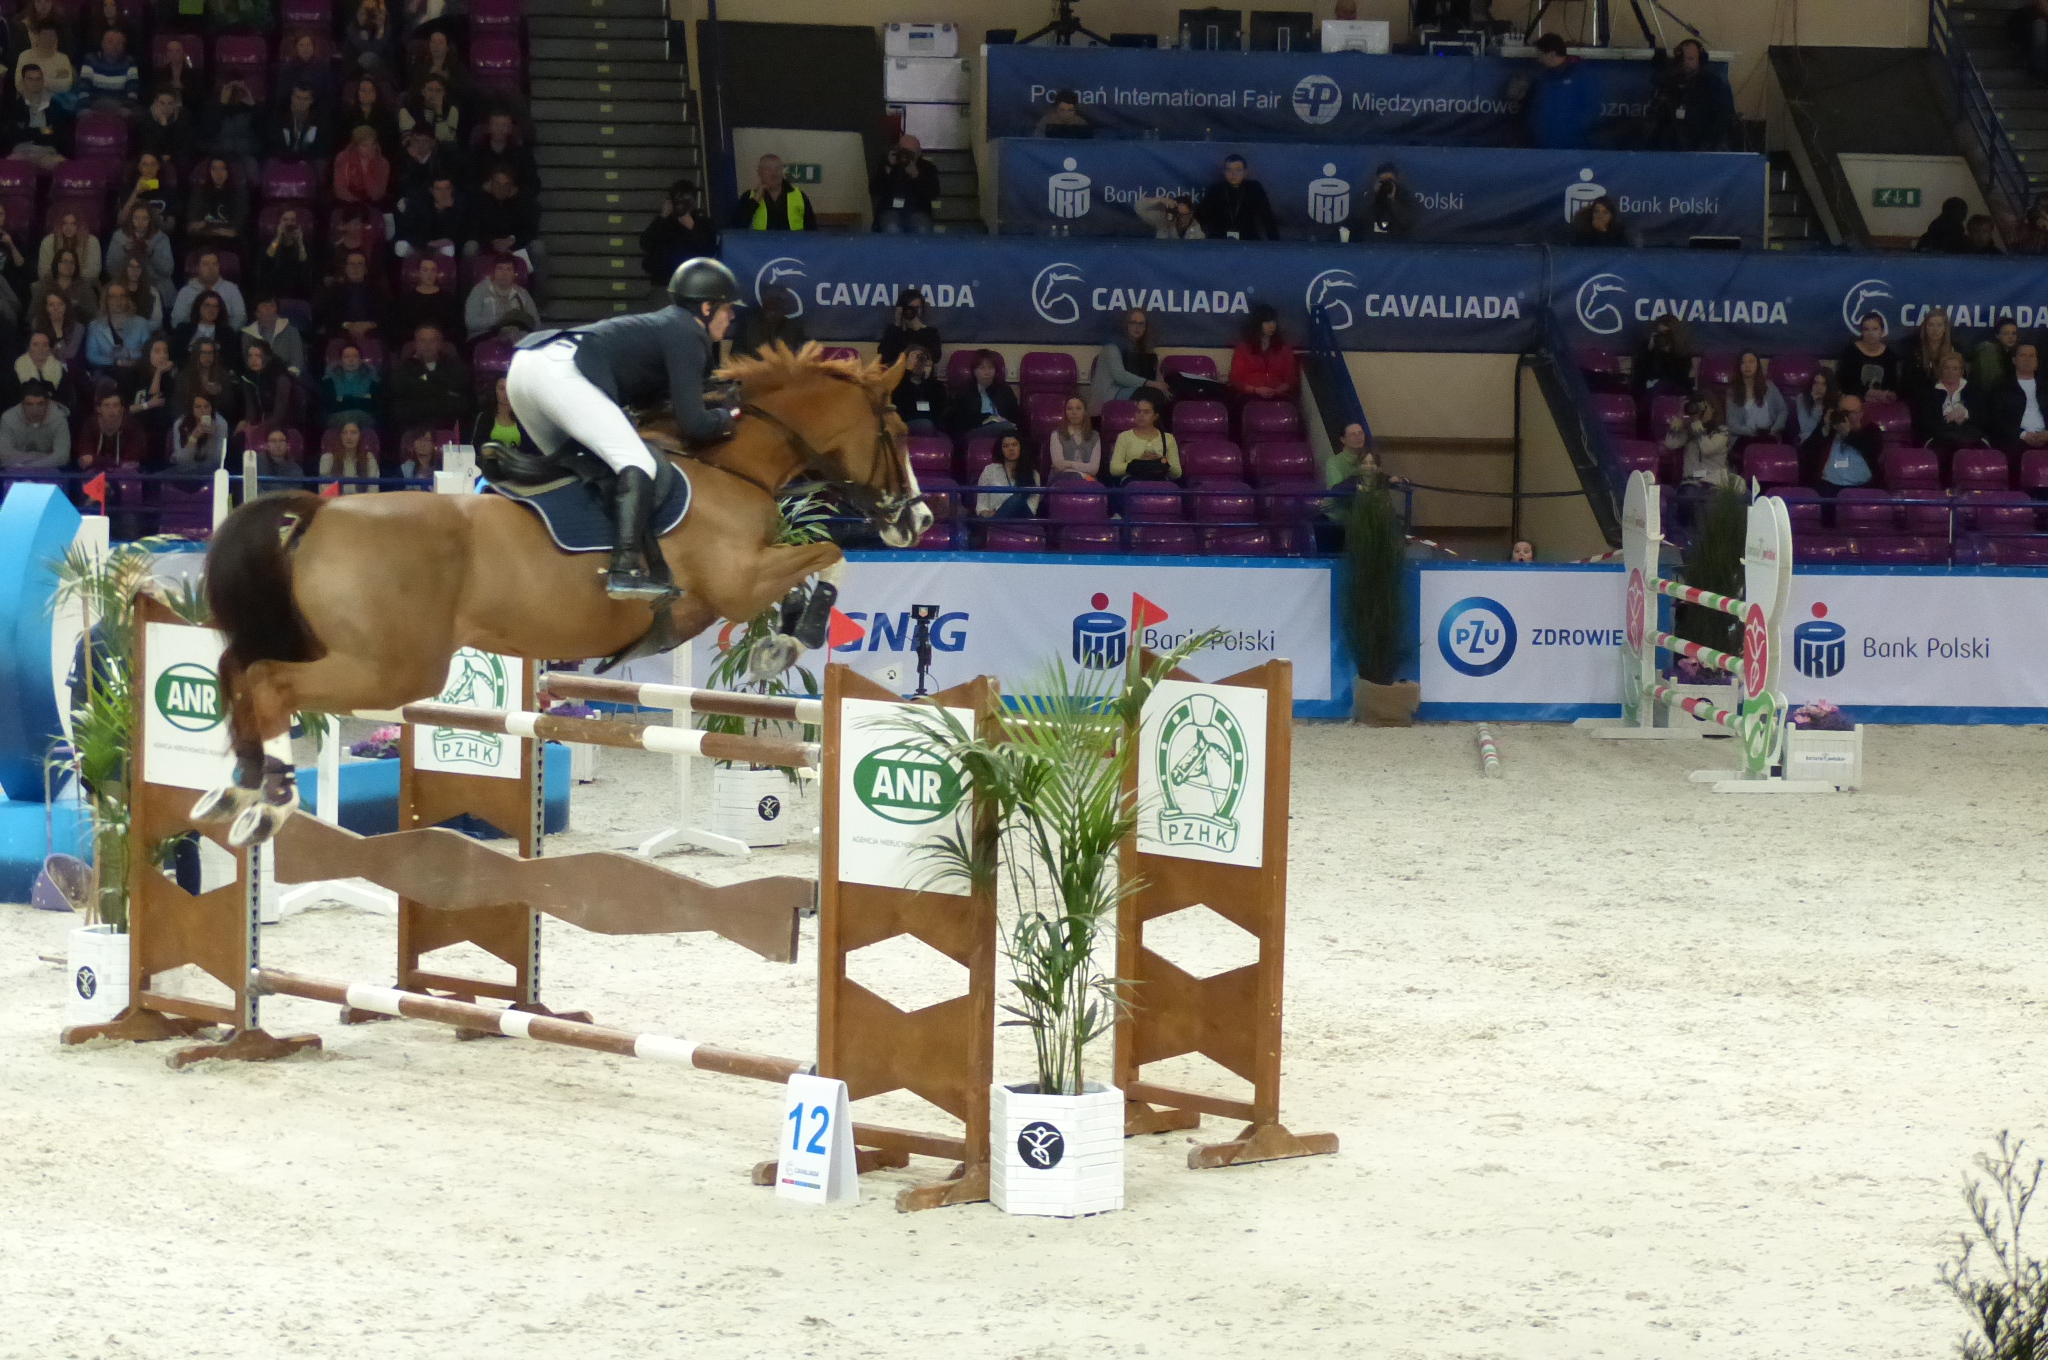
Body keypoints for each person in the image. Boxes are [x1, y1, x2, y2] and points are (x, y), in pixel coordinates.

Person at [505, 258, 742, 599]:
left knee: (583, 469)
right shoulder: (688, 333)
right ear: (707, 308)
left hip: (525, 369)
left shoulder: (664, 327)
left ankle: (568, 560)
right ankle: (625, 568)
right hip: (561, 373)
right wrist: (728, 416)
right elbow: (693, 423)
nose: (731, 317)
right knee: (638, 462)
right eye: (728, 309)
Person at [1646, 38, 1733, 152]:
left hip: (1706, 147)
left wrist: (1708, 144)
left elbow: (1722, 119)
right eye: (1682, 59)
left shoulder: (1713, 84)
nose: (1686, 63)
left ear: (1700, 60)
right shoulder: (1670, 83)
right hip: (1674, 148)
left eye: (1691, 59)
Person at [1519, 33, 1599, 150]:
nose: (1539, 59)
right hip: (1545, 145)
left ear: (1552, 54)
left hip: (1571, 145)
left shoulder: (1578, 76)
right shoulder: (1541, 78)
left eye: (1541, 54)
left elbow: (1591, 109)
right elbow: (1530, 109)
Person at [386, 322, 468, 431]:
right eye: (423, 340)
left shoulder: (453, 364)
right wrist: (444, 391)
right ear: (415, 344)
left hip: (446, 424)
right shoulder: (403, 366)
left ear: (440, 344)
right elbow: (400, 389)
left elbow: (459, 387)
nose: (427, 345)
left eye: (432, 341)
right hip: (413, 424)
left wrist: (422, 384)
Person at [1089, 308, 1172, 410]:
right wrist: (1150, 383)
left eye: (1141, 324)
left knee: (1168, 394)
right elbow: (1121, 376)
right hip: (1112, 395)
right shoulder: (1112, 348)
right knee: (1152, 395)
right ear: (1125, 325)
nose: (1137, 327)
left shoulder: (1148, 350)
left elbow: (1156, 377)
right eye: (1133, 323)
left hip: (1139, 390)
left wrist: (1162, 386)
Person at [640, 179, 718, 286]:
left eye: (686, 201)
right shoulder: (664, 222)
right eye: (677, 201)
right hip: (664, 281)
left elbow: (709, 251)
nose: (681, 206)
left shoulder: (702, 223)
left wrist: (693, 228)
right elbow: (645, 244)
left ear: (694, 202)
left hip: (693, 281)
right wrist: (661, 218)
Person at [1799, 391, 1881, 493]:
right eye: (1843, 412)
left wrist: (1848, 433)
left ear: (1861, 414)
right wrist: (1824, 428)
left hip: (1862, 489)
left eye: (1852, 412)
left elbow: (1873, 449)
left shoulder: (1870, 429)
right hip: (1828, 487)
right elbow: (1806, 451)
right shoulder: (1830, 429)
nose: (1847, 417)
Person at [1913, 349, 1988, 460]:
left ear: (1961, 372)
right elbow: (1924, 422)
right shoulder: (1929, 392)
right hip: (1939, 436)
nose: (1950, 372)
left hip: (1970, 435)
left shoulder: (1974, 391)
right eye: (1946, 368)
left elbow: (1983, 418)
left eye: (1955, 368)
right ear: (1940, 370)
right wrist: (1946, 419)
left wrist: (1966, 414)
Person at [465, 168, 542, 275]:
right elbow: (473, 229)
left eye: (506, 184)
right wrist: (495, 243)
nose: (501, 188)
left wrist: (511, 240)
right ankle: (468, 285)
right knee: (470, 247)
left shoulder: (523, 203)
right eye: (498, 184)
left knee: (538, 247)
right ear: (490, 184)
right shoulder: (479, 202)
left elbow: (530, 230)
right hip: (487, 245)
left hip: (516, 246)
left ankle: (537, 286)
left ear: (512, 187)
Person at [1196, 154, 1278, 241]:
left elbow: (1267, 217)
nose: (1233, 174)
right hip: (1220, 240)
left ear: (1245, 172)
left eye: (1238, 170)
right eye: (1229, 170)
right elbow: (1202, 215)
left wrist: (1275, 243)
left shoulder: (1254, 188)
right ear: (1224, 172)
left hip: (1248, 240)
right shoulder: (1215, 189)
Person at [871, 133, 940, 234]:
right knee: (892, 228)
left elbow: (934, 194)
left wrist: (917, 176)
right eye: (903, 151)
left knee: (922, 229)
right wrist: (888, 169)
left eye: (911, 152)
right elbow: (874, 190)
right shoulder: (888, 165)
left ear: (919, 152)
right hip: (890, 210)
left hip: (918, 211)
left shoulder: (928, 168)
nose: (906, 155)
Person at [1663, 391, 1735, 486]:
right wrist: (1679, 418)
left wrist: (1696, 422)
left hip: (1714, 482)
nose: (1699, 411)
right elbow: (1670, 444)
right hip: (1690, 482)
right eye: (1695, 407)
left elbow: (1706, 448)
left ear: (1713, 409)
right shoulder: (1689, 430)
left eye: (1702, 407)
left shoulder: (1722, 431)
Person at [8, 63, 73, 169]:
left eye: (38, 79)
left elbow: (59, 133)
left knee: (67, 167)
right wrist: (44, 130)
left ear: (42, 81)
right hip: (22, 152)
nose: (34, 83)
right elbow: (13, 134)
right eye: (30, 79)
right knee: (7, 167)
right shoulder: (13, 107)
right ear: (23, 81)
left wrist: (31, 132)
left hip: (47, 152)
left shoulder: (54, 106)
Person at [1229, 305, 1299, 402]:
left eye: (1274, 321)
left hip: (1278, 396)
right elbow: (1235, 379)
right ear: (1258, 324)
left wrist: (1277, 391)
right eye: (1267, 322)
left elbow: (1291, 379)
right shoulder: (1243, 348)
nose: (1272, 326)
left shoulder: (1284, 349)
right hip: (1250, 396)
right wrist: (1256, 390)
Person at [947, 349, 1020, 442]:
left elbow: (1015, 415)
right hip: (975, 430)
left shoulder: (1004, 390)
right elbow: (959, 421)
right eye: (982, 368)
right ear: (974, 371)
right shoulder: (964, 391)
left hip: (1004, 427)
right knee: (1007, 429)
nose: (987, 372)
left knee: (1010, 430)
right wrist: (988, 418)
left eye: (991, 368)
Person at [1989, 342, 2048, 456]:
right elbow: (1996, 418)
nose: (2027, 359)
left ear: (2037, 361)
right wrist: (2023, 434)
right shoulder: (2001, 386)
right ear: (2014, 360)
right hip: (2015, 440)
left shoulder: (2045, 386)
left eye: (2031, 356)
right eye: (2023, 355)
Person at [732, 153, 815, 232]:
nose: (774, 173)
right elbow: (736, 228)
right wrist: (755, 201)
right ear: (759, 173)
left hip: (793, 242)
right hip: (760, 242)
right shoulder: (749, 196)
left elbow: (812, 231)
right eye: (768, 169)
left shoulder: (799, 195)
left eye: (777, 168)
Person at [1108, 394, 1180, 484]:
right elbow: (1114, 469)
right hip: (1133, 481)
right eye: (1138, 411)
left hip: (1160, 482)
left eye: (1146, 412)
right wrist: (1139, 463)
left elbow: (1177, 473)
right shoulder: (1124, 436)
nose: (1141, 415)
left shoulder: (1168, 438)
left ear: (1155, 416)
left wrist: (1162, 462)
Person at [316, 250, 386, 341]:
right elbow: (329, 319)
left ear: (365, 269)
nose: (355, 268)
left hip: (371, 335)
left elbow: (385, 318)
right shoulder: (333, 291)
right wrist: (349, 326)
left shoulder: (378, 291)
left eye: (360, 264)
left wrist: (369, 325)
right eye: (351, 264)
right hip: (341, 334)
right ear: (345, 269)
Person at [464, 256, 538, 341]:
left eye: (508, 269)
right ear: (493, 271)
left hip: (517, 337)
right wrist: (501, 319)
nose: (504, 273)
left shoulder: (522, 293)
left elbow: (536, 323)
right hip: (485, 337)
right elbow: (471, 322)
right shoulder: (479, 290)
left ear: (514, 273)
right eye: (500, 268)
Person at [0, 381, 69, 470]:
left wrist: (28, 467)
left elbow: (62, 456)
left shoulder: (59, 419)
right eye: (29, 404)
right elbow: (3, 453)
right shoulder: (9, 418)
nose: (35, 409)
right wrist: (41, 457)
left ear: (48, 403)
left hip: (47, 471)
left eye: (40, 404)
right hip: (15, 470)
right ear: (22, 404)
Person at [73, 388, 145, 472]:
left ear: (122, 409)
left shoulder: (132, 425)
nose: (111, 410)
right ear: (98, 409)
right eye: (106, 405)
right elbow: (85, 459)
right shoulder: (90, 425)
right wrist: (114, 462)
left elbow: (132, 460)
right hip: (95, 472)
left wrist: (96, 460)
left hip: (124, 473)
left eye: (115, 405)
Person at [234, 339, 296, 436]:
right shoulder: (248, 378)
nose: (253, 360)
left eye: (258, 356)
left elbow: (279, 416)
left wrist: (257, 429)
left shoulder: (280, 378)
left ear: (267, 357)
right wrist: (246, 423)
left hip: (285, 427)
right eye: (250, 356)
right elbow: (251, 410)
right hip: (262, 423)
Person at [396, 174, 467, 258]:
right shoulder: (419, 203)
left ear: (452, 189)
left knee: (449, 249)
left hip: (441, 246)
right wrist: (425, 243)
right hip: (420, 245)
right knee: (401, 246)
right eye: (438, 189)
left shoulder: (458, 205)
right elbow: (406, 230)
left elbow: (456, 235)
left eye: (446, 189)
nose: (443, 193)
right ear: (432, 190)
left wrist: (442, 212)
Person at [184, 158, 249, 251]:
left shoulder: (239, 194)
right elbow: (192, 226)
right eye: (214, 169)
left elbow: (234, 231)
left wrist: (206, 227)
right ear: (209, 171)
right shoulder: (200, 192)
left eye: (222, 169)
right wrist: (218, 230)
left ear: (228, 172)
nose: (218, 173)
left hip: (230, 244)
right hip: (201, 242)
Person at [1723, 352, 1787, 443]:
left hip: (1769, 435)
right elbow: (1732, 424)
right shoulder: (1732, 392)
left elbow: (1783, 411)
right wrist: (1753, 433)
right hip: (1744, 437)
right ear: (1739, 367)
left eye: (1751, 362)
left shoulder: (1769, 386)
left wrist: (1775, 429)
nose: (1747, 366)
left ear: (1757, 365)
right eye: (1743, 362)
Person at [1835, 312, 1900, 402]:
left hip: (1881, 402)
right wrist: (1874, 394)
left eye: (1875, 329)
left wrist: (1890, 394)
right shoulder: (1851, 351)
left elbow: (1892, 385)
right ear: (1861, 332)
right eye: (1866, 329)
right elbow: (1847, 383)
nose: (1870, 333)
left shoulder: (1889, 354)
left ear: (1882, 331)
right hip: (1854, 402)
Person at [727, 282, 804, 358]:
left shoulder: (793, 328)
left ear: (785, 303)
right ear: (763, 300)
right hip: (751, 365)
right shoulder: (748, 322)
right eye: (770, 298)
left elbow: (799, 359)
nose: (773, 303)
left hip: (782, 365)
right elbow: (736, 356)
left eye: (778, 299)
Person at [171, 252, 247, 328]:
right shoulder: (185, 291)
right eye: (206, 264)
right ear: (198, 268)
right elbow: (177, 320)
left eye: (215, 264)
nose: (211, 268)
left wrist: (226, 333)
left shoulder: (231, 289)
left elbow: (240, 317)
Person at [174, 337, 240, 424]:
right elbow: (178, 406)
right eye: (203, 353)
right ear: (196, 355)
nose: (207, 357)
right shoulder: (184, 377)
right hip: (190, 420)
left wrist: (220, 394)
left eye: (210, 353)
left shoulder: (222, 376)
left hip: (216, 421)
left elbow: (230, 408)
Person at [85, 283, 149, 371]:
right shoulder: (95, 326)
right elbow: (92, 355)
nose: (118, 300)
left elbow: (148, 350)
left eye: (122, 296)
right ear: (106, 300)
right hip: (106, 370)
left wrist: (133, 358)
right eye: (113, 297)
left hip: (136, 369)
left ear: (128, 300)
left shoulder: (141, 323)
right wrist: (116, 362)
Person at [975, 432, 1041, 519]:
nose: (1011, 449)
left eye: (1014, 445)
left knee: (1015, 500)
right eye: (1006, 446)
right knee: (1014, 500)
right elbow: (981, 505)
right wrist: (987, 513)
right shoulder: (990, 470)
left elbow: (1032, 509)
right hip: (994, 519)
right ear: (1001, 450)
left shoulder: (1033, 474)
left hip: (1022, 520)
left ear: (1020, 447)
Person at [1343, 164, 1415, 243]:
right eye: (1382, 181)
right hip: (1367, 245)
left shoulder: (1406, 199)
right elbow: (1354, 222)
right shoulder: (1365, 197)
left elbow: (1410, 224)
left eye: (1390, 181)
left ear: (1397, 181)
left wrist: (1393, 200)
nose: (1386, 184)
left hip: (1398, 246)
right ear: (1376, 180)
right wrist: (1373, 195)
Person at [258, 206, 318, 299]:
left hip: (297, 290)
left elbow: (305, 265)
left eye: (292, 220)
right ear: (279, 222)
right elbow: (267, 260)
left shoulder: (303, 244)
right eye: (285, 220)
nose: (288, 223)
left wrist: (300, 242)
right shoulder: (272, 243)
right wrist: (278, 237)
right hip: (274, 289)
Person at [471, 113, 537, 196]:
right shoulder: (477, 153)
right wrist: (482, 188)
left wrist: (517, 191)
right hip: (482, 198)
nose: (500, 129)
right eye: (496, 125)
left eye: (504, 125)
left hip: (515, 199)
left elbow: (533, 182)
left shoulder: (522, 155)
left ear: (510, 128)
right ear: (489, 127)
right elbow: (467, 180)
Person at [396, 255, 462, 339]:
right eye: (425, 270)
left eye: (433, 270)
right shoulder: (407, 299)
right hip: (414, 341)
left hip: (441, 341)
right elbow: (401, 327)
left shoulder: (448, 299)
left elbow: (455, 327)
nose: (429, 274)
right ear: (419, 272)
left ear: (436, 273)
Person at [1901, 308, 1958, 402]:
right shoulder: (1914, 352)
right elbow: (1906, 385)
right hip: (1920, 401)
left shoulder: (1954, 351)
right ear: (1925, 327)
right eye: (1931, 325)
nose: (1935, 329)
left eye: (1939, 325)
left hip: (1949, 400)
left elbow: (1961, 382)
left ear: (1945, 328)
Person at [241, 295, 307, 376]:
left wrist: (287, 377)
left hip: (286, 378)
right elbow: (247, 362)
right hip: (257, 378)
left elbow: (297, 362)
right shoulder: (248, 334)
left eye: (272, 306)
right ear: (256, 313)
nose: (269, 309)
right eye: (264, 306)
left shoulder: (291, 332)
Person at [322, 339, 381, 428]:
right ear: (341, 361)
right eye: (347, 357)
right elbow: (330, 406)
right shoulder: (330, 380)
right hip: (338, 421)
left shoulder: (371, 379)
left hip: (364, 421)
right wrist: (360, 398)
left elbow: (372, 405)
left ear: (360, 360)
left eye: (355, 356)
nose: (351, 360)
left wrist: (343, 398)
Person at [876, 287, 941, 367]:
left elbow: (935, 357)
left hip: (920, 374)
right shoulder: (892, 331)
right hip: (898, 373)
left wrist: (918, 329)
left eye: (917, 308)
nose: (912, 311)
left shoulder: (931, 332)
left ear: (922, 309)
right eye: (909, 308)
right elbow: (883, 357)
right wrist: (897, 324)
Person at [77, 28, 139, 110]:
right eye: (110, 42)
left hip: (120, 107)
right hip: (94, 106)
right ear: (102, 44)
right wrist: (85, 108)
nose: (114, 46)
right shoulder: (91, 59)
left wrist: (127, 108)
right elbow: (84, 88)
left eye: (118, 43)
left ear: (123, 46)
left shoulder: (129, 61)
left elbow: (133, 90)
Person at [890, 345, 947, 434]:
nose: (918, 363)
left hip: (929, 425)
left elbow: (938, 411)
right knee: (925, 424)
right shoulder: (896, 383)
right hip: (903, 423)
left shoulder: (936, 386)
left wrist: (927, 381)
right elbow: (900, 408)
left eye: (922, 358)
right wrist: (907, 372)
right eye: (914, 358)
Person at [1633, 312, 1693, 395]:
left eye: (1666, 334)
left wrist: (1667, 351)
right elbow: (1639, 375)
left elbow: (1680, 378)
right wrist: (1649, 350)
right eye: (1659, 333)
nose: (1662, 337)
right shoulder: (1647, 348)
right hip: (1650, 393)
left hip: (1674, 393)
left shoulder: (1682, 352)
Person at [277, 33, 337, 116]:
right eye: (301, 45)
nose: (305, 48)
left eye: (309, 45)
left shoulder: (323, 68)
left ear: (313, 47)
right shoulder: (287, 68)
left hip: (318, 112)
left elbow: (328, 94)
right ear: (296, 48)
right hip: (292, 112)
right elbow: (282, 95)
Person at [30, 249, 96, 324]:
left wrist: (76, 307)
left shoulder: (84, 287)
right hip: (47, 324)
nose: (69, 265)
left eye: (72, 262)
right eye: (65, 261)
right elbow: (32, 314)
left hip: (75, 325)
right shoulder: (43, 286)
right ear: (56, 264)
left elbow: (93, 315)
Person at [333, 121, 393, 204]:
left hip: (372, 203)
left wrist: (367, 170)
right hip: (347, 202)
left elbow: (377, 194)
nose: (370, 148)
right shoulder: (343, 158)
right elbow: (340, 189)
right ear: (356, 146)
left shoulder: (383, 163)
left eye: (373, 144)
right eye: (365, 145)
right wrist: (356, 204)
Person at [118, 154, 177, 236]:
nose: (149, 168)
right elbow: (121, 221)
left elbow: (170, 226)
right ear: (139, 167)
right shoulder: (128, 189)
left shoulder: (168, 191)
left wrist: (151, 220)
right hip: (132, 235)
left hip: (158, 236)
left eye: (153, 164)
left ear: (158, 166)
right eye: (145, 164)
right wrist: (135, 192)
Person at [167, 392, 229, 469]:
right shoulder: (181, 424)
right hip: (185, 470)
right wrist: (193, 438)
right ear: (192, 409)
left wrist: (212, 438)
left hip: (210, 470)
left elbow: (218, 460)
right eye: (198, 407)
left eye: (206, 406)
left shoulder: (220, 423)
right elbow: (180, 461)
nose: (203, 410)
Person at [1046, 395, 1100, 481]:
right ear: (1065, 412)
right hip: (1062, 480)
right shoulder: (1056, 434)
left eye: (1078, 408)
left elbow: (1094, 469)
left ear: (1085, 412)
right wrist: (1082, 474)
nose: (1074, 412)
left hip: (1088, 481)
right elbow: (1059, 465)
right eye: (1069, 409)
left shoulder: (1095, 436)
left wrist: (1068, 464)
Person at [397, 75, 460, 148]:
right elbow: (411, 141)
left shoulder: (452, 110)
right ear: (423, 91)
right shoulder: (406, 111)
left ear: (444, 93)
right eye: (430, 89)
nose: (434, 94)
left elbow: (447, 140)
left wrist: (439, 112)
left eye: (438, 90)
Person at [136, 89, 195, 167]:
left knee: (183, 161)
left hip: (175, 156)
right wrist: (162, 126)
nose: (166, 107)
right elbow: (148, 145)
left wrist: (170, 155)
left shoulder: (183, 118)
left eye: (170, 103)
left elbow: (183, 145)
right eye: (162, 103)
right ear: (156, 103)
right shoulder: (147, 119)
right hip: (154, 156)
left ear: (175, 105)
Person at [272, 83, 327, 163]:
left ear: (311, 101)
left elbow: (321, 147)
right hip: (283, 160)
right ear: (292, 98)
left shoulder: (319, 121)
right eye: (298, 98)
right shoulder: (280, 117)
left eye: (305, 99)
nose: (301, 102)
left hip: (309, 161)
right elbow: (275, 144)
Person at [322, 418, 379, 493]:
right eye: (344, 433)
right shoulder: (328, 459)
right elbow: (324, 491)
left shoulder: (369, 458)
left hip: (363, 500)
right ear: (340, 436)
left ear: (360, 436)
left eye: (353, 433)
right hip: (337, 500)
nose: (348, 437)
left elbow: (373, 490)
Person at [16, 24, 73, 93]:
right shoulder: (25, 55)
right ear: (38, 36)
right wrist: (54, 79)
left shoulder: (63, 59)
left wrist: (34, 81)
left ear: (56, 38)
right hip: (29, 98)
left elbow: (66, 85)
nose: (48, 38)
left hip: (56, 98)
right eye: (44, 34)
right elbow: (19, 84)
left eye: (51, 35)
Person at [1972, 319, 2022, 392]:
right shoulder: (1989, 350)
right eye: (2006, 333)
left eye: (2013, 333)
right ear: (1997, 335)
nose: (2010, 337)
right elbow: (1989, 384)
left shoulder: (2012, 355)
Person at [470, 378, 516, 452]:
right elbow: (477, 446)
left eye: (509, 389)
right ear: (495, 390)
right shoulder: (486, 417)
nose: (506, 393)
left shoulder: (522, 417)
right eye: (502, 389)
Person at [1792, 370, 1837, 444]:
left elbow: (1830, 431)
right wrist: (1817, 405)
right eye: (1816, 383)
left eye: (1823, 384)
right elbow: (1806, 429)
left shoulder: (1834, 401)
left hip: (1827, 440)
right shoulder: (1802, 398)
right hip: (1807, 439)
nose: (1819, 387)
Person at [1135, 194, 1204, 240]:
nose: (1183, 218)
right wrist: (1161, 200)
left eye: (1186, 215)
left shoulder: (1194, 226)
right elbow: (1139, 208)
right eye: (1179, 214)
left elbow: (1200, 242)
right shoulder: (1163, 219)